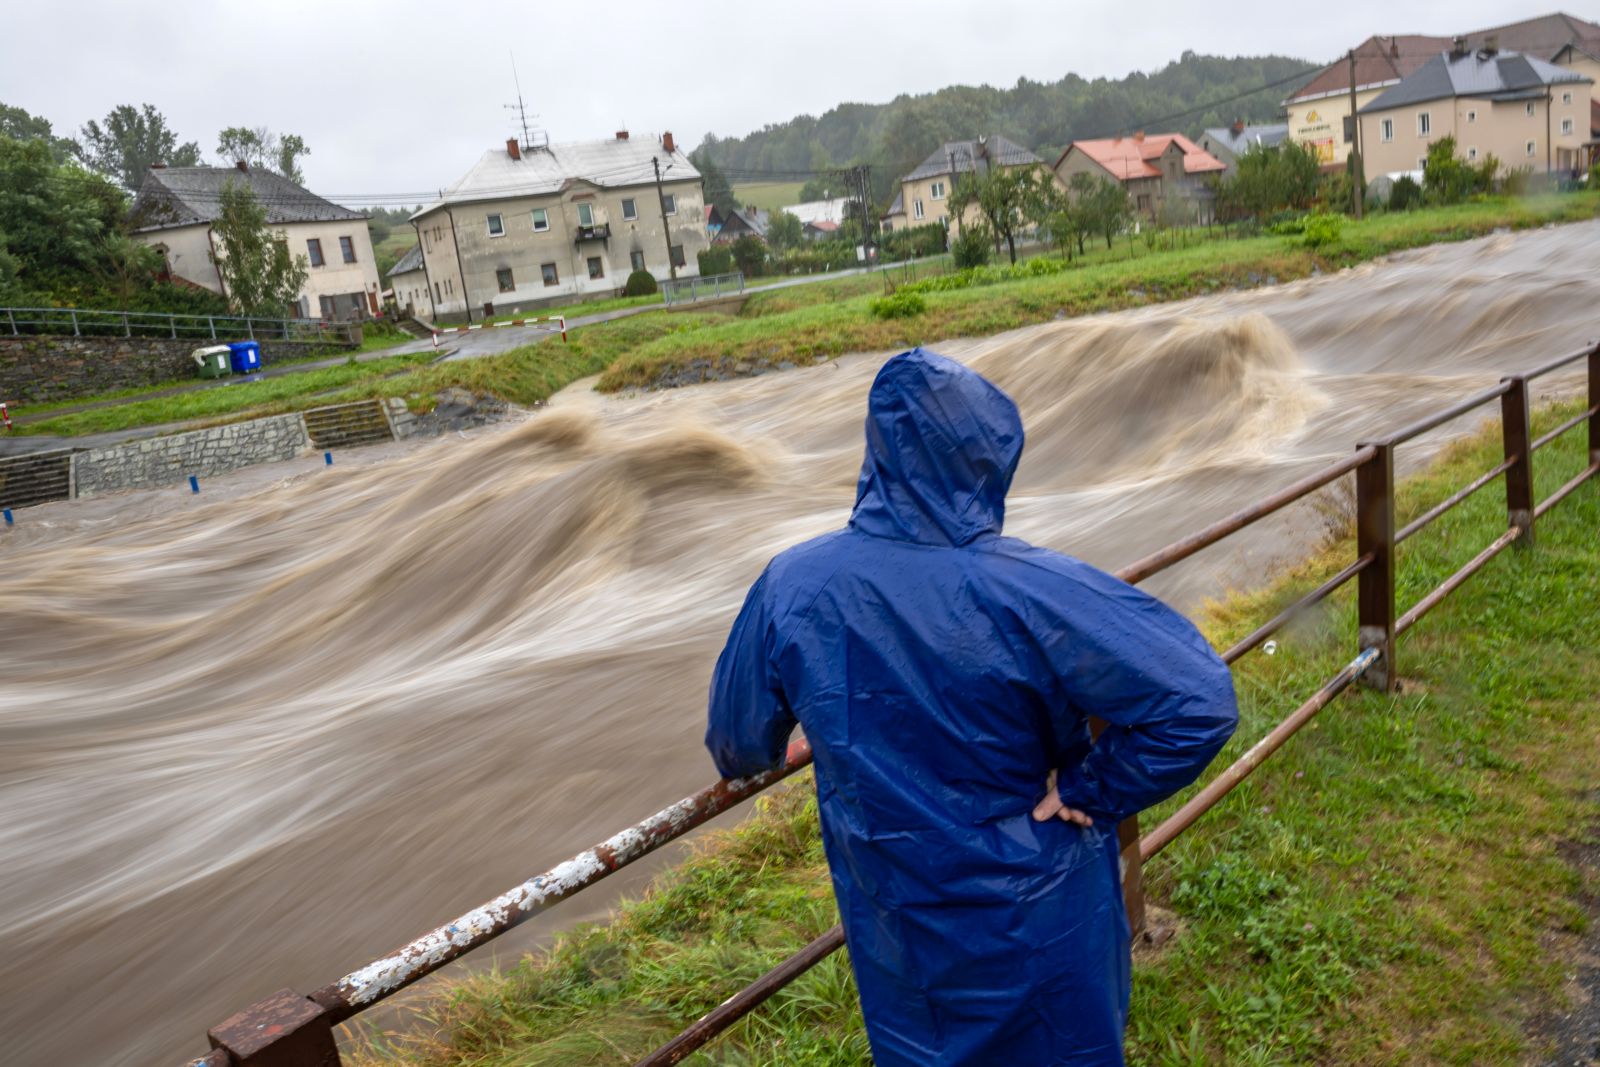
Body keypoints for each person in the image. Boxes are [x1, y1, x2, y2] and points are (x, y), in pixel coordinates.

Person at [706, 348, 1238, 1066]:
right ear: (989, 460)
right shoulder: (1034, 589)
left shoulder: (791, 585)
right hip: (1044, 918)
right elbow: (1199, 699)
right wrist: (1093, 787)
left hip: (901, 927)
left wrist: (813, 731)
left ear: (879, 451)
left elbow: (739, 745)